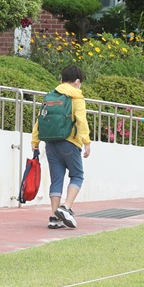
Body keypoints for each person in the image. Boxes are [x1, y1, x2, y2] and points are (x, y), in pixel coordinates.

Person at [31, 65, 91, 229]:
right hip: (70, 142)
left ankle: (54, 217)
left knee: (56, 179)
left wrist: (35, 142)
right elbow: (81, 120)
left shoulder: (50, 96)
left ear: (61, 80)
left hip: (50, 143)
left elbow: (39, 120)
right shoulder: (76, 98)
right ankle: (66, 207)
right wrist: (86, 142)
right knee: (77, 176)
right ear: (77, 82)